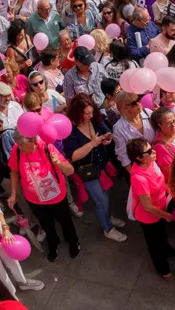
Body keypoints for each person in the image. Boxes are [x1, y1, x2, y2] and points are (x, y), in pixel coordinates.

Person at [7, 127, 78, 261]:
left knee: (65, 221)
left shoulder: (47, 148)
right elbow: (14, 172)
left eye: (22, 145)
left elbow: (70, 171)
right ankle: (53, 243)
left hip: (56, 197)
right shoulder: (17, 150)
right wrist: (13, 194)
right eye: (18, 144)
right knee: (46, 224)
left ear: (33, 141)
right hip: (34, 199)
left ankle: (73, 241)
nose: (19, 147)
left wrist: (58, 162)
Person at [62, 93, 126, 242]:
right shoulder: (70, 129)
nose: (90, 116)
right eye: (86, 113)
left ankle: (108, 216)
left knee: (106, 197)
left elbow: (106, 132)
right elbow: (73, 156)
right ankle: (108, 229)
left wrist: (107, 139)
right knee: (101, 201)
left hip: (103, 166)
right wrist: (92, 144)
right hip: (88, 171)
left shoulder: (95, 119)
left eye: (91, 112)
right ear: (77, 113)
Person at [127, 137, 175, 280]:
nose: (153, 152)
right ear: (139, 158)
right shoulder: (139, 178)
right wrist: (166, 215)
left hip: (160, 208)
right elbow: (147, 207)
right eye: (148, 151)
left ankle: (168, 250)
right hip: (149, 216)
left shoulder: (151, 163)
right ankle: (164, 270)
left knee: (162, 234)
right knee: (155, 244)